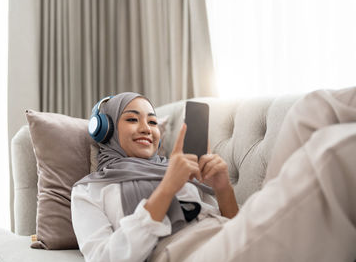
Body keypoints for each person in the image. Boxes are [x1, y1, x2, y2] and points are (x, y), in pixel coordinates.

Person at [71, 89, 356, 262]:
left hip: (231, 237)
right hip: (188, 256)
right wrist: (166, 189)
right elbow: (105, 257)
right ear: (104, 129)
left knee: (315, 108)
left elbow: (234, 224)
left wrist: (222, 188)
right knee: (331, 154)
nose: (147, 128)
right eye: (132, 119)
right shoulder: (89, 191)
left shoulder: (175, 169)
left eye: (153, 121)